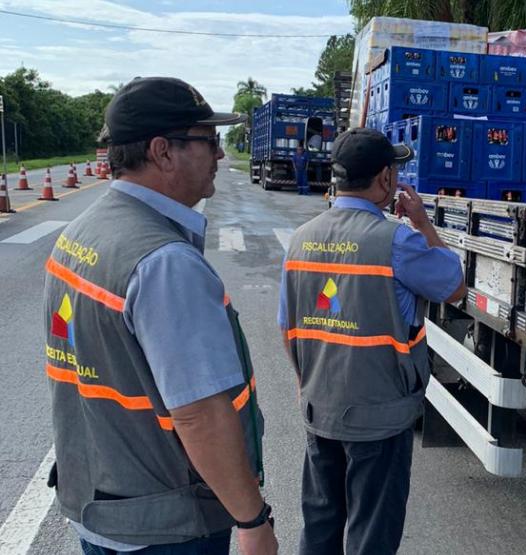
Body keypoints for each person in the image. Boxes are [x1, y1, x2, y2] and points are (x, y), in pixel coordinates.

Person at [42, 77, 278, 555]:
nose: (219, 155)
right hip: (165, 526)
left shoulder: (83, 231)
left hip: (101, 502)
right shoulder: (164, 261)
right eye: (209, 142)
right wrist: (252, 520)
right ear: (162, 152)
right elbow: (200, 416)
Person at [278, 128, 466, 555]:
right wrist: (422, 222)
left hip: (318, 408)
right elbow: (453, 285)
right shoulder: (397, 241)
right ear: (385, 179)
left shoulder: (299, 239)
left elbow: (287, 329)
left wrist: (310, 385)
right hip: (380, 417)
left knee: (321, 525)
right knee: (372, 534)